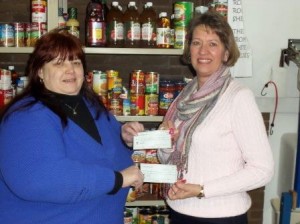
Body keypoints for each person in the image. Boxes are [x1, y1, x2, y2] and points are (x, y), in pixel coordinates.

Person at [0, 28, 144, 223]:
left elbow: (106, 154)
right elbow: (38, 178)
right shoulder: (26, 116)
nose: (70, 70)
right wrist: (117, 180)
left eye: (76, 62)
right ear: (40, 71)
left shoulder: (91, 105)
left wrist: (125, 138)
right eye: (59, 63)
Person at [157, 11, 274, 224]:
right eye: (196, 43)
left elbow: (263, 170)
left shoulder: (239, 97)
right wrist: (166, 144)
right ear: (189, 49)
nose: (203, 51)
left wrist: (202, 190)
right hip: (179, 210)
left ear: (226, 53)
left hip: (220, 217)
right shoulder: (183, 97)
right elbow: (167, 160)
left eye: (213, 44)